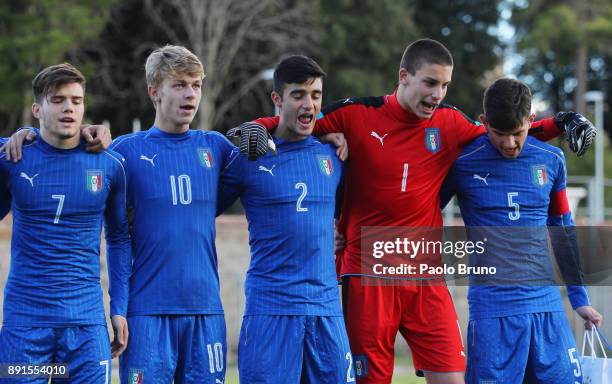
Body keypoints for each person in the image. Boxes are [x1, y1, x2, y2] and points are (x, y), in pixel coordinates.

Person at [250, 38, 596, 383]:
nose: (438, 94)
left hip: (426, 276)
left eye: (445, 85)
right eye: (430, 83)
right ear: (404, 76)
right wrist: (255, 127)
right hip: (368, 275)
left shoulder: (450, 123)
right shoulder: (356, 114)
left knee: (453, 378)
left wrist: (559, 123)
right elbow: (297, 121)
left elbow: (502, 132)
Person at [440, 77, 602, 384]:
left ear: (531, 120)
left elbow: (562, 228)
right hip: (492, 311)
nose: (509, 143)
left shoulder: (552, 159)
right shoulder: (463, 162)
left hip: (547, 306)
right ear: (485, 122)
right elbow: (424, 211)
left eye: (517, 133)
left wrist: (579, 298)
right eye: (499, 134)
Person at [217, 55, 354, 383]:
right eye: (298, 95)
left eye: (316, 95)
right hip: (271, 309)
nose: (309, 104)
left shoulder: (334, 155)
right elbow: (200, 210)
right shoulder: (249, 156)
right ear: (277, 99)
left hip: (326, 310)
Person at [106, 45, 234, 384]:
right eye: (179, 84)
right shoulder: (125, 152)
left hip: (206, 312)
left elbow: (275, 164)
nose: (190, 93)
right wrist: (117, 307)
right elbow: (117, 240)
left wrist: (328, 130)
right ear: (154, 92)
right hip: (147, 314)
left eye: (196, 84)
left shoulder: (217, 147)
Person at [0, 63, 130, 383]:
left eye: (76, 100)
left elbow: (119, 239)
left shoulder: (110, 165)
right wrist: (12, 135)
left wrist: (119, 307)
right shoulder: (12, 158)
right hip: (25, 324)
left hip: (85, 325)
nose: (69, 107)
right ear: (37, 109)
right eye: (57, 100)